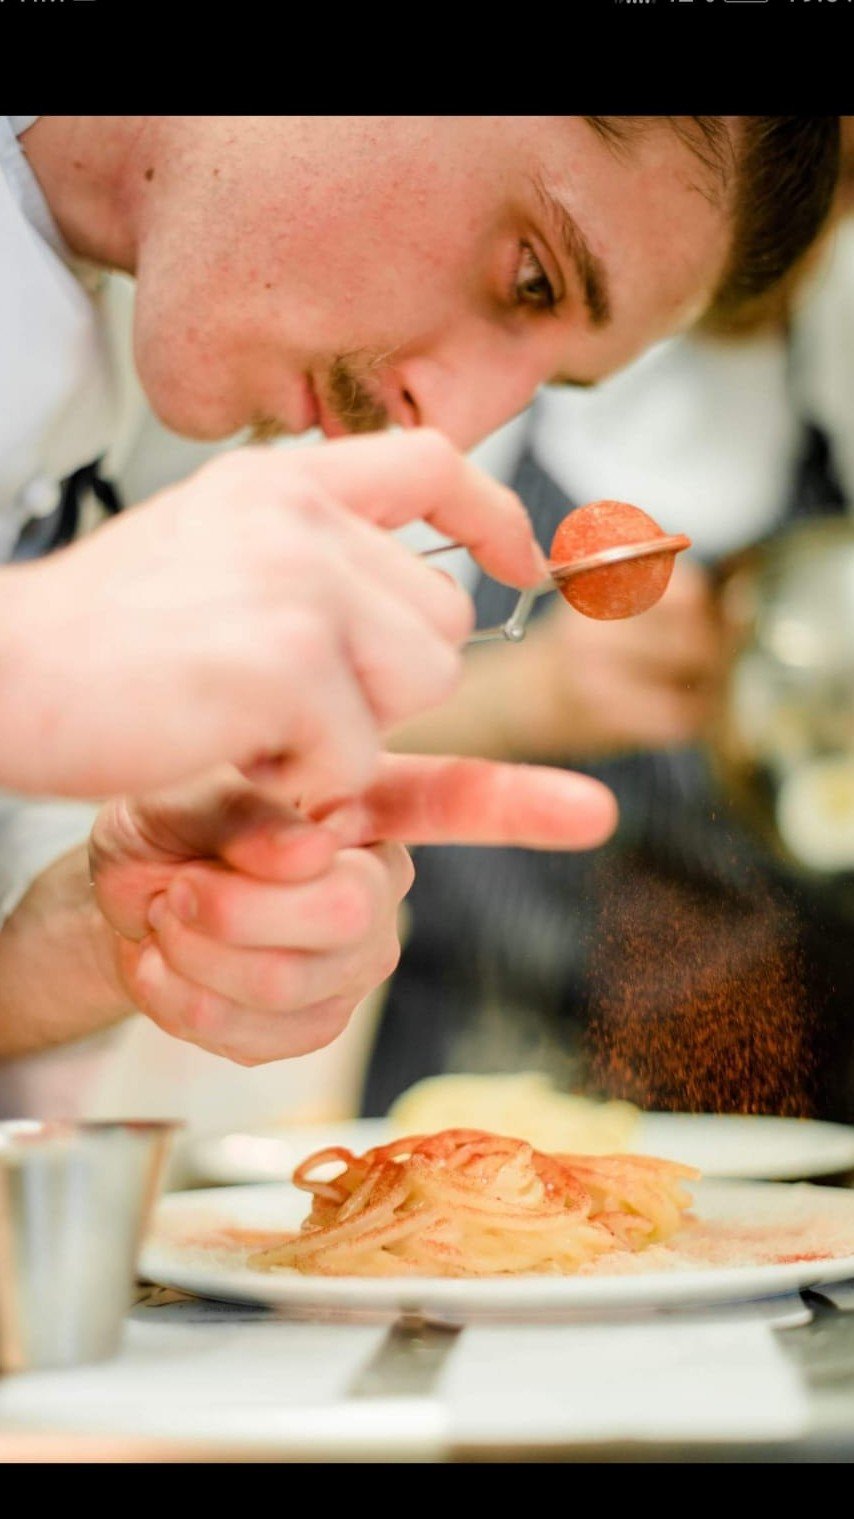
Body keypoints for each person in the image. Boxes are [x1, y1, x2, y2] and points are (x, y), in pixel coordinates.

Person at [0, 115, 840, 1089]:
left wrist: (101, 941)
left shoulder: (158, 401)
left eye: (546, 380)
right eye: (530, 275)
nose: (447, 424)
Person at [365, 182, 854, 1122]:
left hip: (784, 1094)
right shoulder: (469, 380)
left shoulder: (835, 363)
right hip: (487, 1060)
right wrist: (529, 693)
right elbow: (294, 728)